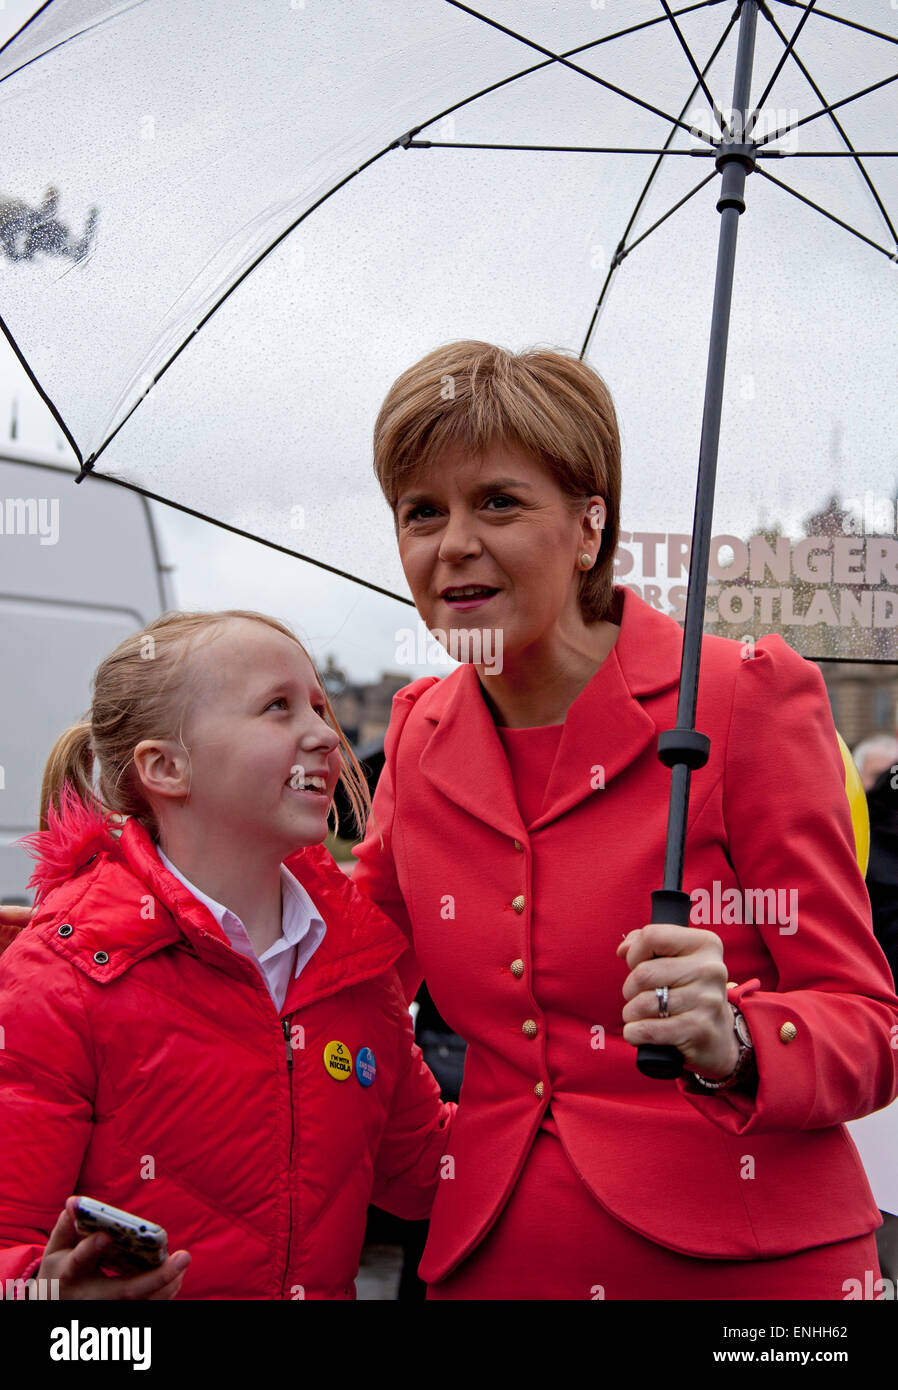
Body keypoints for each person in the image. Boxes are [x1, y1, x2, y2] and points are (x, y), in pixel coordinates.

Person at [349, 339, 898, 1300]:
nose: (453, 544)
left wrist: (732, 1038)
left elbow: (867, 1026)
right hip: (492, 1261)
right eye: (421, 512)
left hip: (747, 1284)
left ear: (590, 526)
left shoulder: (741, 699)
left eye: (499, 502)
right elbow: (345, 985)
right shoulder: (418, 733)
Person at [0, 609, 452, 1300]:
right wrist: (50, 1296)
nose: (327, 735)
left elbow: (430, 1176)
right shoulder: (61, 976)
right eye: (278, 707)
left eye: (321, 707)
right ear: (166, 767)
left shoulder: (354, 969)